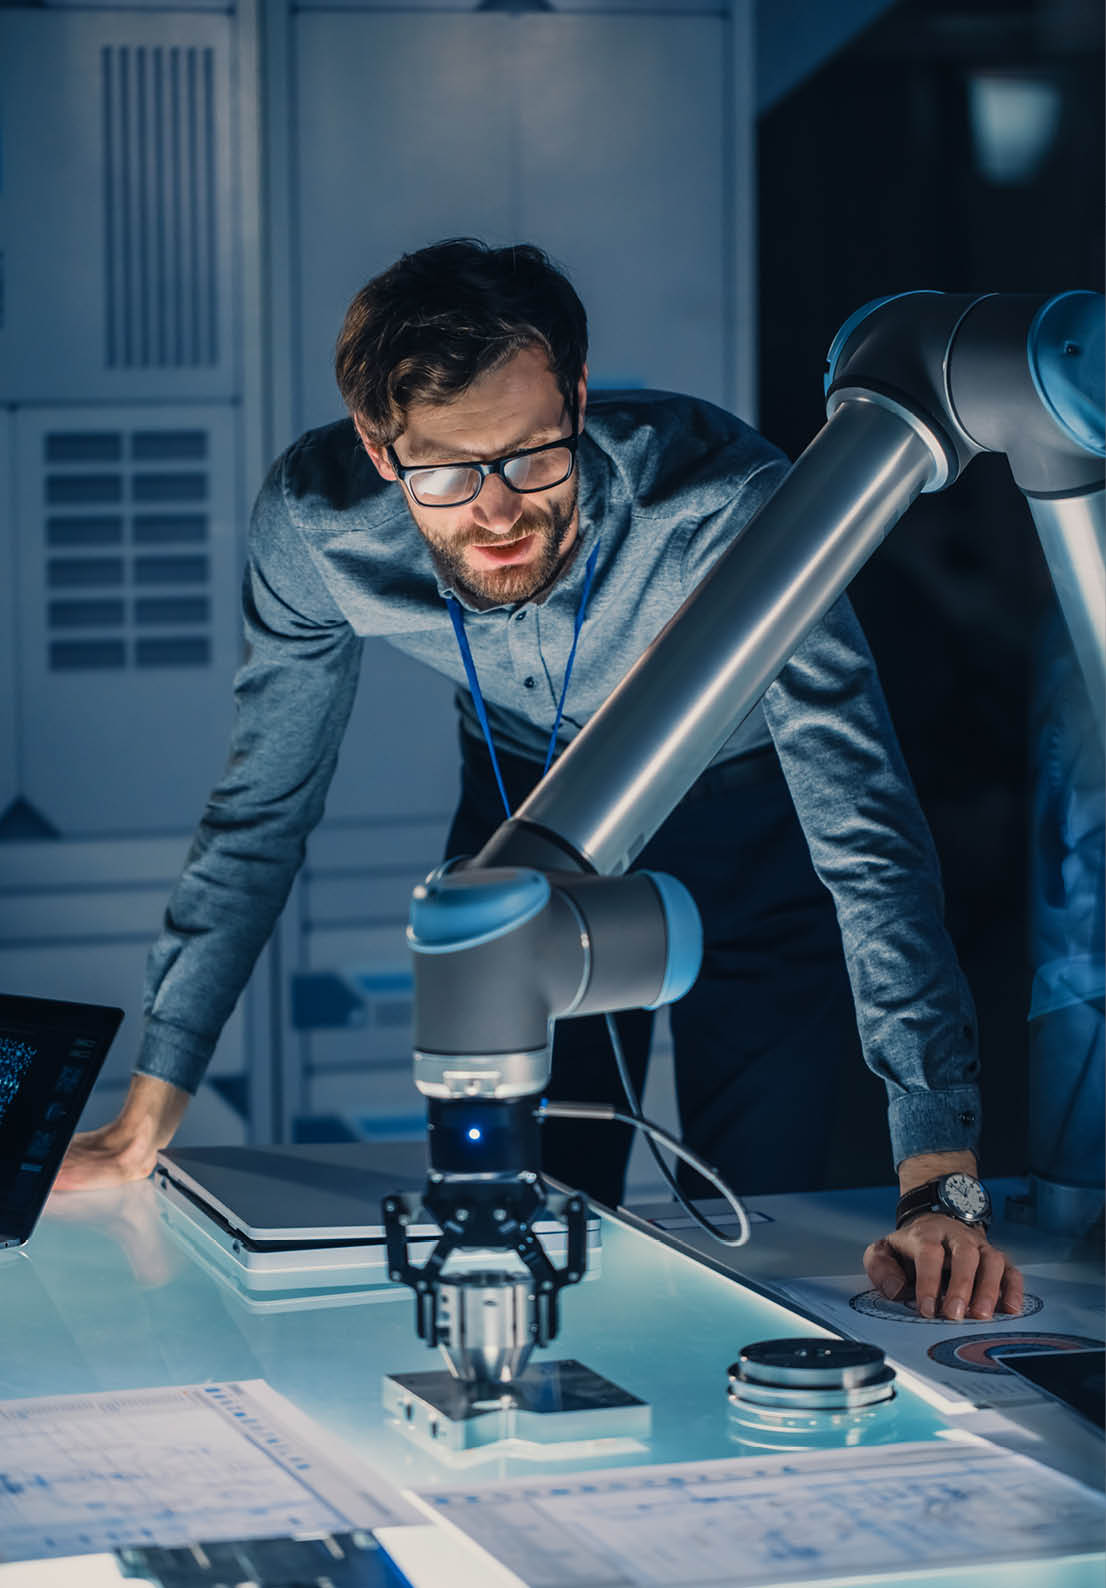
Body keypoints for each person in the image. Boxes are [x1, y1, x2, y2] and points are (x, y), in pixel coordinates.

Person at [56, 239, 1023, 1321]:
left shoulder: (721, 499)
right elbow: (259, 809)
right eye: (447, 475)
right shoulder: (315, 529)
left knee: (769, 1224)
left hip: (755, 827)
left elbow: (865, 828)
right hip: (523, 822)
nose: (500, 511)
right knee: (517, 1219)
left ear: (572, 393)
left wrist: (942, 1180)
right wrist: (150, 1103)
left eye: (531, 454)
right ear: (381, 451)